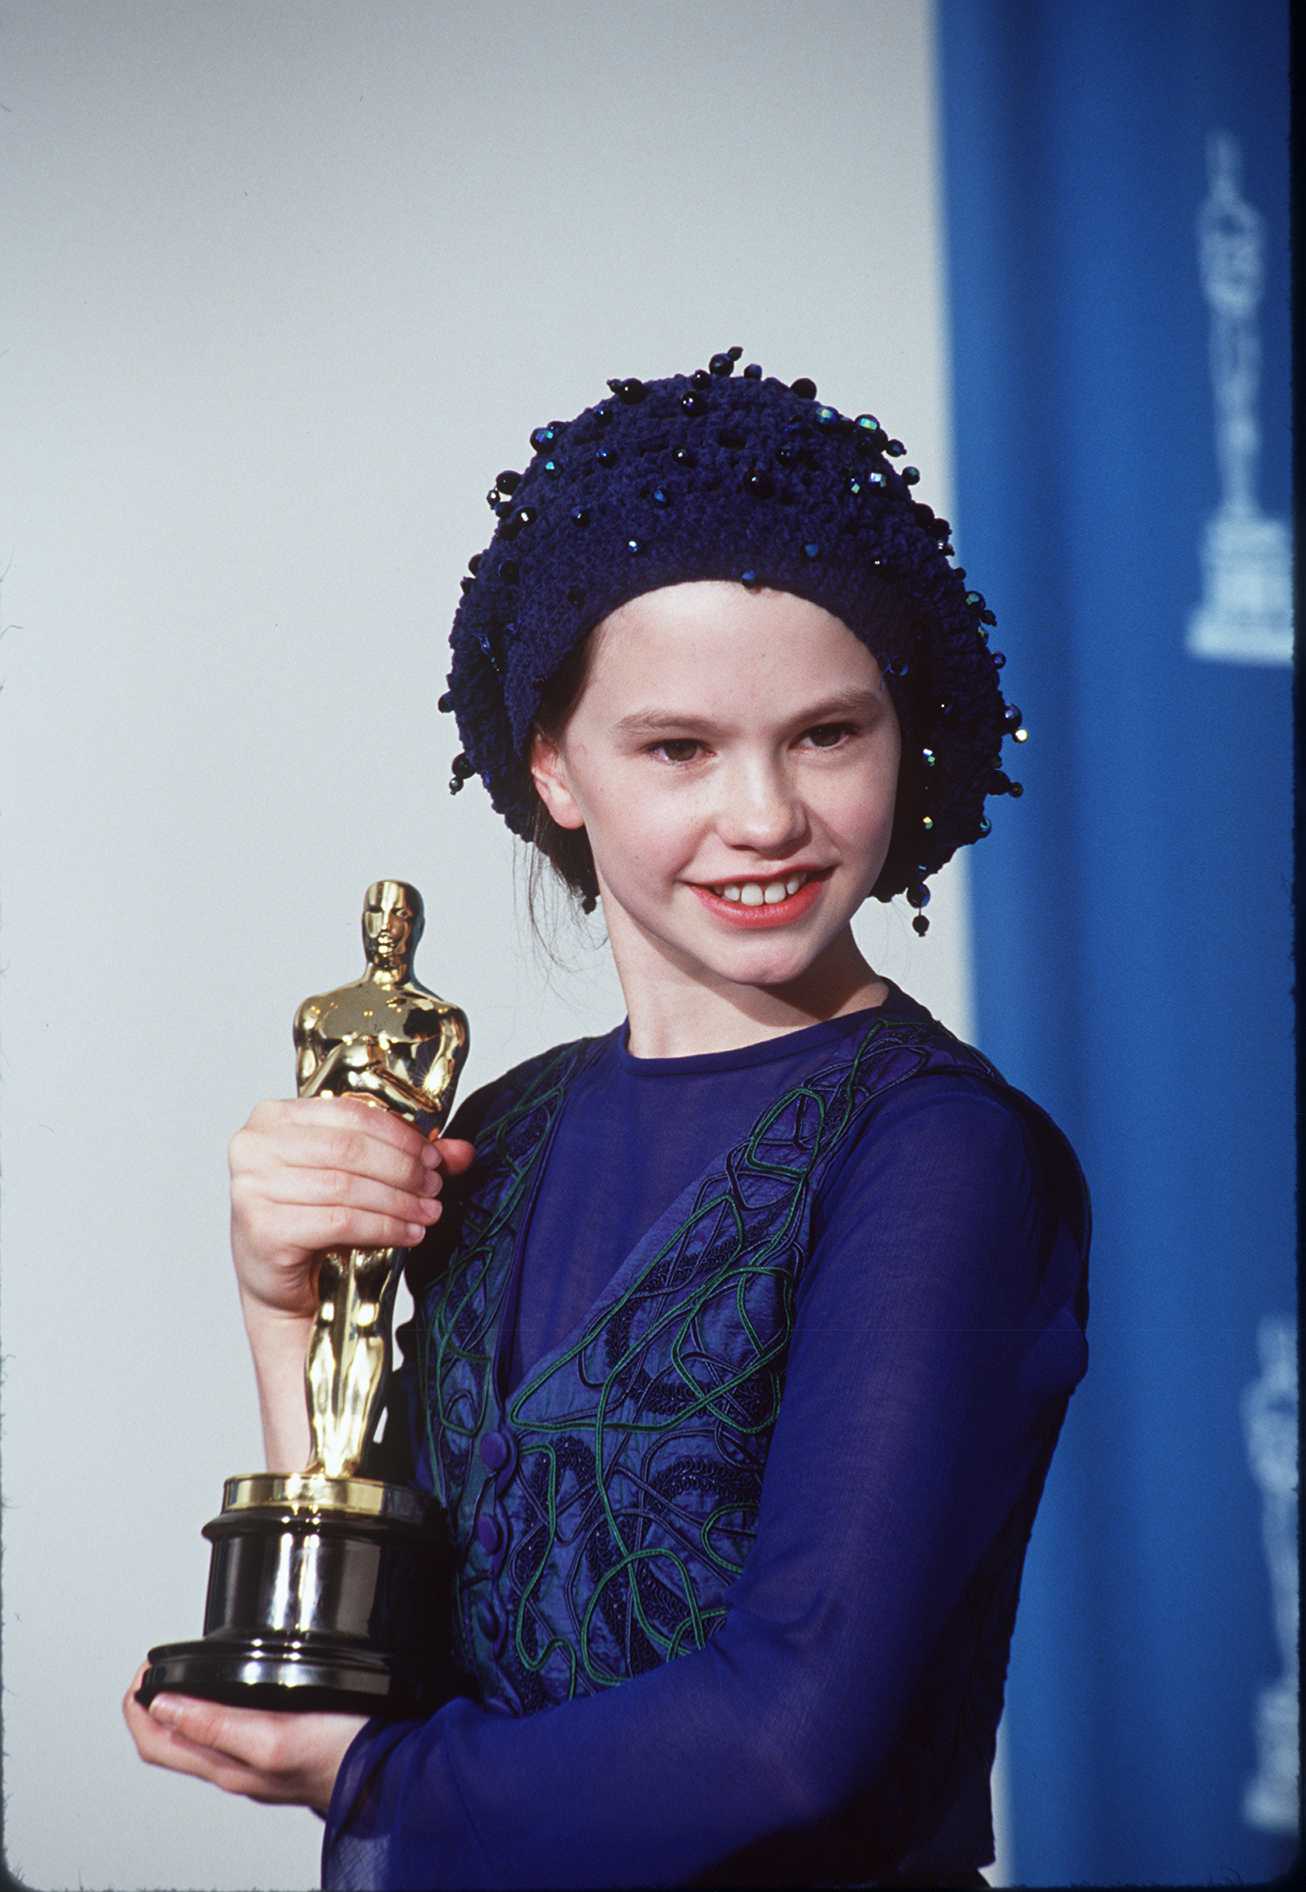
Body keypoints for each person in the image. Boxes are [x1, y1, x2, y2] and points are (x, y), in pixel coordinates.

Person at [124, 346, 1091, 1890]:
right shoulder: (493, 1133)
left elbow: (791, 1733)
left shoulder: (938, 1156)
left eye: (825, 734)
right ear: (552, 767)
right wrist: (282, 1296)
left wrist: (370, 1776)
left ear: (904, 745)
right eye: (678, 748)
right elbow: (363, 1628)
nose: (764, 814)